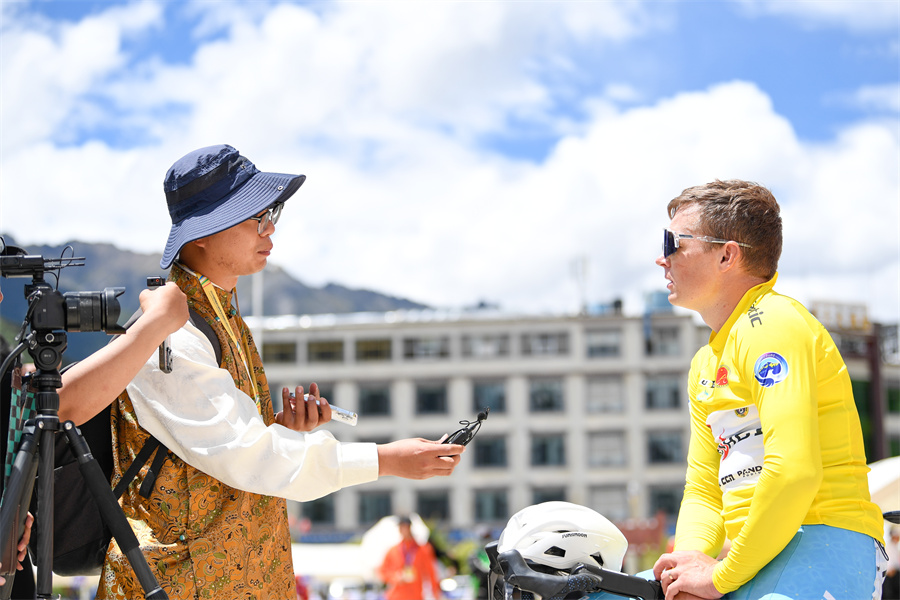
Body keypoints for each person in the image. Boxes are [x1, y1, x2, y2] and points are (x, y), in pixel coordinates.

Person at [96, 144, 466, 599]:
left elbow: (227, 451)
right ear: (203, 232)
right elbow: (248, 456)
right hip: (180, 585)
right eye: (255, 216)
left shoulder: (219, 316)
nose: (270, 227)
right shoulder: (173, 332)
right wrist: (386, 459)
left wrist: (280, 431)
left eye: (271, 213)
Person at [650, 180, 886, 600]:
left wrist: (718, 578)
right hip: (755, 556)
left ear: (727, 255)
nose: (661, 258)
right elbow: (704, 488)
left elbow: (794, 471)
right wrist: (685, 569)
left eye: (674, 243)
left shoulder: (773, 320)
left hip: (823, 538)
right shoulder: (705, 362)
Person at [378, 516, 443, 600]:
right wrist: (395, 577)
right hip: (396, 596)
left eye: (405, 527)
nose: (403, 530)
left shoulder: (423, 550)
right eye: (401, 527)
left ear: (410, 528)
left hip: (415, 595)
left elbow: (431, 572)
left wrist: (436, 591)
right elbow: (382, 571)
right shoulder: (393, 550)